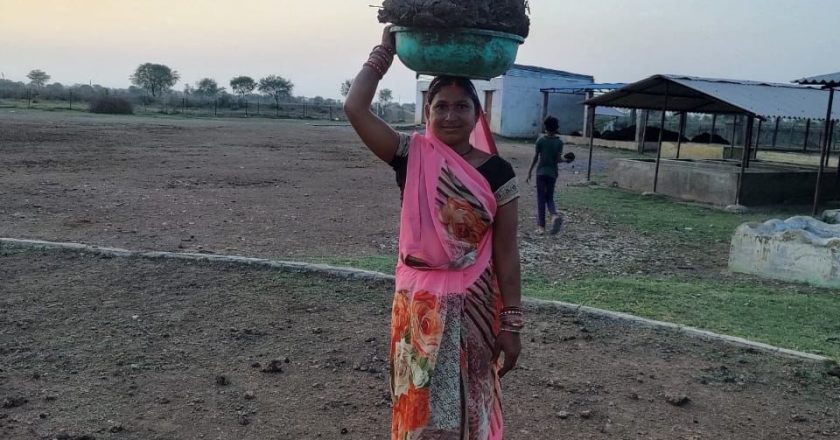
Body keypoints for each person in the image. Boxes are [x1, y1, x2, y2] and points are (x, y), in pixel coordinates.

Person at [344, 26, 523, 440]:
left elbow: (507, 252)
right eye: (440, 106)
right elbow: (355, 108)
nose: (450, 116)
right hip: (417, 300)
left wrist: (511, 323)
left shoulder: (497, 172)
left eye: (462, 106)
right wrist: (383, 53)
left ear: (477, 114)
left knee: (469, 395)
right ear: (427, 111)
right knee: (417, 397)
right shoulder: (410, 155)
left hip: (475, 301)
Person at [526, 115, 567, 235]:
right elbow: (558, 159)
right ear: (556, 127)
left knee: (540, 199)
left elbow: (535, 157)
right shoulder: (559, 142)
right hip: (552, 174)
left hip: (541, 173)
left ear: (545, 127)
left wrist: (529, 172)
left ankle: (541, 227)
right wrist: (566, 160)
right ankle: (554, 215)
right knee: (549, 197)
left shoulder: (541, 141)